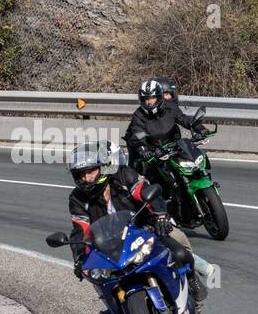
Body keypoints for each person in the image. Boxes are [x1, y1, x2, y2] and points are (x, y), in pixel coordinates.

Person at [67, 143, 217, 302]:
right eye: (80, 174)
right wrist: (79, 258)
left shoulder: (124, 176)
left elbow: (147, 192)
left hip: (147, 228)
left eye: (90, 171)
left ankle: (191, 278)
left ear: (103, 167)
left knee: (180, 252)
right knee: (102, 284)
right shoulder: (77, 198)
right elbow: (80, 230)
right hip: (111, 246)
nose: (86, 178)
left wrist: (160, 216)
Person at [124, 78, 203, 179]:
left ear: (158, 97)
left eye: (152, 98)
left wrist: (198, 127)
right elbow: (138, 133)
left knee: (194, 159)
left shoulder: (170, 107)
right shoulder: (139, 115)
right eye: (146, 99)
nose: (149, 102)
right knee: (144, 173)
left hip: (174, 147)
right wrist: (143, 149)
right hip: (154, 152)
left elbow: (183, 119)